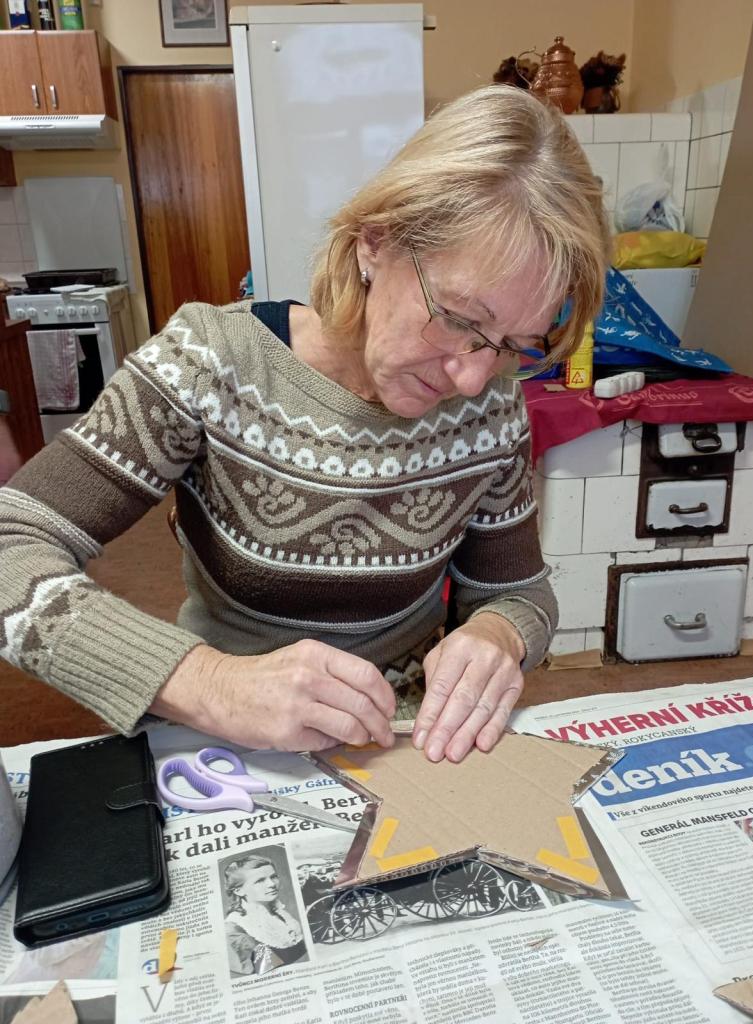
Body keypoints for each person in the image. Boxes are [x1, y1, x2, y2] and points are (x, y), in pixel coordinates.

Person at [0, 85, 609, 763]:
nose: (469, 378)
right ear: (374, 242)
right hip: (227, 748)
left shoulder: (491, 407)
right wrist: (205, 683)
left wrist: (499, 634)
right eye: (459, 319)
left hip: (410, 746)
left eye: (512, 345)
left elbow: (517, 590)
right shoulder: (210, 363)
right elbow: (9, 541)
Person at [223, 854, 306, 976]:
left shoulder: (280, 912)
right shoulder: (236, 928)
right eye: (260, 881)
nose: (271, 884)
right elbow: (268, 971)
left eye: (273, 877)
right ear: (239, 891)